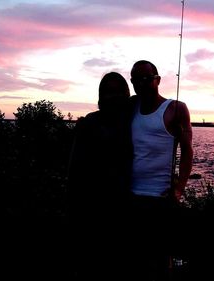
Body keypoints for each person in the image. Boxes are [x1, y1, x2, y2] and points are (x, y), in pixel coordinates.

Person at [128, 60, 193, 280]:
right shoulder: (131, 107)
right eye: (137, 79)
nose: (142, 83)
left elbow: (187, 151)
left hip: (160, 199)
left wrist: (179, 189)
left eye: (147, 78)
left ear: (158, 80)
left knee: (161, 259)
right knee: (136, 259)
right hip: (131, 197)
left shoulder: (176, 108)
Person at [67, 71, 133, 278]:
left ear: (126, 94)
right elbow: (74, 168)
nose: (112, 97)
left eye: (118, 92)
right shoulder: (89, 122)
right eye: (107, 92)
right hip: (92, 207)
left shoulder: (135, 122)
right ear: (100, 96)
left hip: (127, 206)